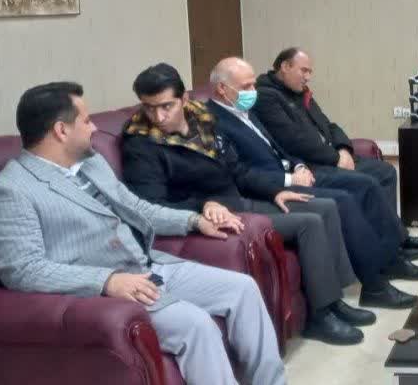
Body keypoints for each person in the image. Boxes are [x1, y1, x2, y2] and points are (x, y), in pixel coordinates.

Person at [0, 82, 285, 385]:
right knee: (197, 325)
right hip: (106, 293)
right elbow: (24, 270)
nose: (94, 127)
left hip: (148, 264)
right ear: (61, 130)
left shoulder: (91, 162)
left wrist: (193, 220)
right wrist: (107, 281)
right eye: (86, 120)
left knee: (243, 288)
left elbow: (136, 207)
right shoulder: (8, 191)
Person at [120, 63, 384, 347]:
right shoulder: (140, 145)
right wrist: (203, 204)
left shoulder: (203, 119)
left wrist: (274, 191)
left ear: (184, 99)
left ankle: (334, 301)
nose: (157, 116)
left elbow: (237, 169)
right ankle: (320, 317)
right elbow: (152, 204)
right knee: (308, 222)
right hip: (215, 214)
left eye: (166, 106)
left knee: (325, 207)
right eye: (149, 108)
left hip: (238, 197)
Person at [207, 57, 418, 286]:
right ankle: (378, 278)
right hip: (273, 186)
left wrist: (299, 165)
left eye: (253, 85)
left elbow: (279, 146)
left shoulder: (246, 111)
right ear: (222, 88)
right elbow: (241, 171)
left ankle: (394, 252)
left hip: (298, 170)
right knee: (345, 198)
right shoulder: (213, 121)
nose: (252, 92)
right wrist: (290, 178)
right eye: (246, 87)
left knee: (368, 183)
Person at [253, 47, 418, 258]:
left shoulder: (300, 91)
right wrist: (336, 159)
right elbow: (293, 141)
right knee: (365, 182)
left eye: (310, 72)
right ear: (285, 66)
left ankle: (396, 238)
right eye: (303, 70)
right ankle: (393, 248)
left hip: (331, 156)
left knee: (385, 171)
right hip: (309, 165)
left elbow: (329, 125)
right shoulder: (266, 96)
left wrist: (343, 149)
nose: (308, 77)